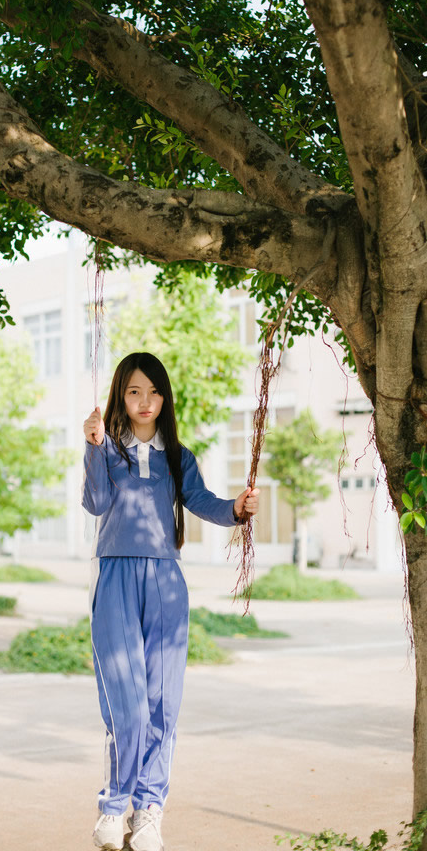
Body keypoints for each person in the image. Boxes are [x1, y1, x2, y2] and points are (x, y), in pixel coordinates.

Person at [82, 352, 259, 851]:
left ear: (165, 398)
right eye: (134, 391)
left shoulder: (178, 457)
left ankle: (149, 811)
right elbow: (95, 502)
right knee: (127, 706)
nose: (144, 401)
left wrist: (237, 510)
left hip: (165, 583)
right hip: (116, 578)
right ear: (120, 395)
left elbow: (202, 502)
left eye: (153, 392)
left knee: (163, 705)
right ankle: (114, 808)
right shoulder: (107, 449)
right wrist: (93, 447)